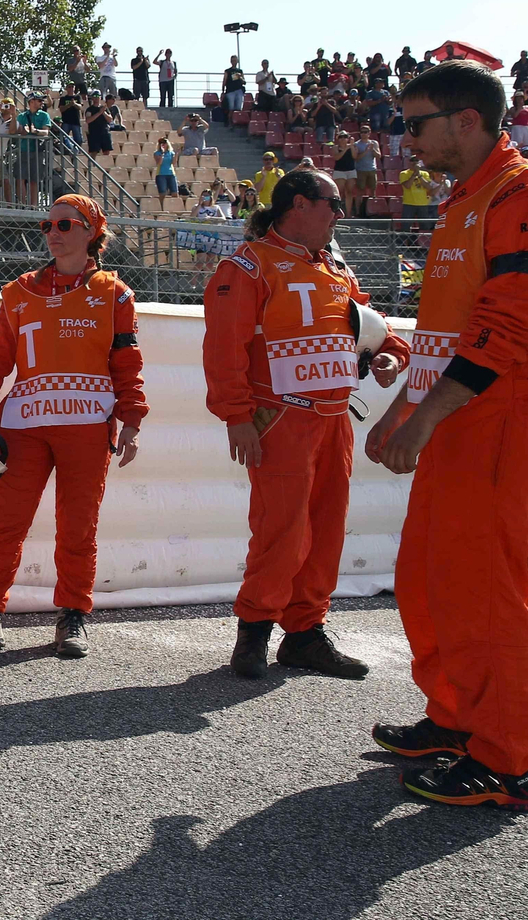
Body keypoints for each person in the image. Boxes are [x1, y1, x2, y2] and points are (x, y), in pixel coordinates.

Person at [366, 61, 528, 811]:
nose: (404, 139)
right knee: (429, 576)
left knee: (485, 594)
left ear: (467, 119)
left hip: (505, 419)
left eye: (414, 123)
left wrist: (423, 416)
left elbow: (509, 325)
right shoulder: (464, 201)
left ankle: (503, 759)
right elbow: (444, 334)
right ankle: (455, 720)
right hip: (458, 417)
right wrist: (403, 409)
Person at [203, 168, 410, 681]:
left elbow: (372, 328)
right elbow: (223, 351)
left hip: (335, 420)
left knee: (324, 532)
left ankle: (305, 635)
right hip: (279, 419)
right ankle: (253, 630)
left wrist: (390, 355)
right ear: (299, 204)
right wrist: (237, 417)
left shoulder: (337, 267)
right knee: (281, 530)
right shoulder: (247, 266)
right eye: (334, 204)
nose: (342, 214)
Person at [0, 195, 147, 656]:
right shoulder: (17, 292)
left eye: (66, 224)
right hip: (23, 426)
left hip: (87, 428)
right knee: (4, 527)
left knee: (77, 527)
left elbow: (127, 363)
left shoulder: (115, 293)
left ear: (91, 233)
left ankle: (72, 618)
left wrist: (132, 417)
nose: (53, 231)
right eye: (47, 223)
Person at [15, 93, 52, 206]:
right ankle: (23, 204)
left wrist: (35, 131)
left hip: (37, 150)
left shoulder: (44, 115)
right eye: (39, 100)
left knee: (34, 180)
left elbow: (46, 132)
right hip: (23, 149)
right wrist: (23, 131)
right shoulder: (21, 116)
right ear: (31, 102)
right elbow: (17, 130)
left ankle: (33, 206)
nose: (42, 103)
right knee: (20, 178)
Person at [397, 154, 439, 220]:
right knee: (406, 224)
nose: (414, 163)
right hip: (409, 203)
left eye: (416, 161)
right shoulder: (404, 173)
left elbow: (428, 187)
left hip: (422, 203)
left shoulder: (425, 174)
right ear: (409, 162)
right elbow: (407, 186)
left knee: (424, 226)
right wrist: (414, 174)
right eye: (412, 161)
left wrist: (419, 174)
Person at [352, 125, 380, 212]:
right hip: (360, 170)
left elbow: (378, 156)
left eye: (365, 132)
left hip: (372, 169)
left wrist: (373, 150)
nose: (363, 134)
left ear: (369, 133)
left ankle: (372, 210)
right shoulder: (357, 144)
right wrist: (366, 151)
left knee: (373, 191)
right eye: (362, 132)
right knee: (360, 191)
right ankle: (358, 211)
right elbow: (356, 158)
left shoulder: (374, 143)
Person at [152, 136, 177, 210]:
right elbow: (159, 163)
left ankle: (174, 207)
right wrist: (162, 153)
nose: (163, 144)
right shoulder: (157, 153)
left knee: (174, 192)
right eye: (161, 143)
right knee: (162, 193)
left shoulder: (171, 153)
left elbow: (173, 163)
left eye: (164, 143)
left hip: (171, 174)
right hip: (161, 174)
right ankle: (162, 207)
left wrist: (176, 155)